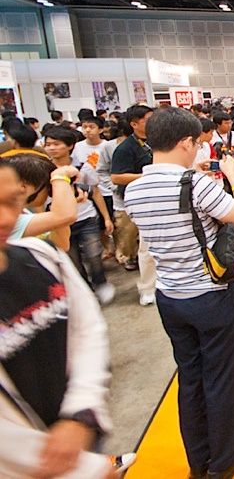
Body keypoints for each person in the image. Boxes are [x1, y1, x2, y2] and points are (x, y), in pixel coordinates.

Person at [123, 107, 234, 479]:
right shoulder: (196, 185)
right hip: (210, 295)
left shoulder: (134, 189)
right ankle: (226, 459)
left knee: (190, 377)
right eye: (196, 144)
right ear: (185, 142)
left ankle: (198, 461)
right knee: (224, 378)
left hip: (170, 297)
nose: (198, 150)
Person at [0, 160, 135, 479]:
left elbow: (87, 330)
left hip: (78, 435)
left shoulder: (40, 256)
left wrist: (81, 413)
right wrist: (86, 469)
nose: (7, 218)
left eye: (12, 201)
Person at [44, 127, 115, 305]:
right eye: (48, 144)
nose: (51, 148)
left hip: (86, 218)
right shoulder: (43, 169)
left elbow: (95, 192)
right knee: (73, 260)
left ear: (70, 146)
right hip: (60, 222)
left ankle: (100, 283)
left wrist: (106, 218)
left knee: (94, 254)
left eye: (56, 144)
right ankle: (85, 290)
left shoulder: (83, 167)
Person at [111, 104, 156, 305]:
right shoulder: (125, 148)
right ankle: (147, 288)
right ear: (134, 124)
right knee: (146, 247)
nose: (153, 122)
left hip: (159, 197)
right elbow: (117, 177)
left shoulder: (157, 141)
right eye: (147, 119)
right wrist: (148, 175)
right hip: (139, 200)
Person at [6, 153, 78, 250]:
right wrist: (59, 177)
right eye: (48, 186)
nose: (50, 191)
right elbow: (66, 216)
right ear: (23, 187)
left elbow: (60, 246)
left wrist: (62, 202)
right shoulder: (10, 220)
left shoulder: (23, 212)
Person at [74, 117, 113, 259]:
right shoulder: (77, 147)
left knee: (112, 221)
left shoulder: (107, 146)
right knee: (99, 224)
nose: (87, 130)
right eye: (84, 127)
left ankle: (117, 248)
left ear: (101, 129)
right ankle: (107, 248)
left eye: (91, 127)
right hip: (88, 191)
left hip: (108, 189)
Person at [97, 119, 131, 267]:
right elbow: (102, 170)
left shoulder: (147, 145)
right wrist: (113, 186)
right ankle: (126, 256)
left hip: (144, 197)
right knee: (125, 231)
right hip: (121, 198)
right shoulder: (109, 147)